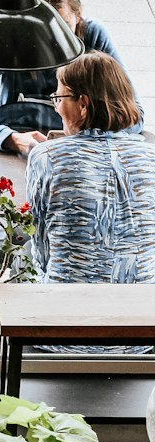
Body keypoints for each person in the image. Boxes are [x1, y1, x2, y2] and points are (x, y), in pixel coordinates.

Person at [24, 52, 155, 354]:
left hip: (61, 334)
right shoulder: (151, 157)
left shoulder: (47, 157)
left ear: (82, 104)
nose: (56, 108)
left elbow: (41, 245)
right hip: (140, 335)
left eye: (59, 98)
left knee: (7, 255)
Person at [0, 0, 142, 158]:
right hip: (15, 142)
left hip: (80, 147)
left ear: (79, 15)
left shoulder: (94, 35)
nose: (53, 41)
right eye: (42, 30)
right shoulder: (6, 36)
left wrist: (87, 139)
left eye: (64, 27)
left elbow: (135, 114)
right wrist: (10, 138)